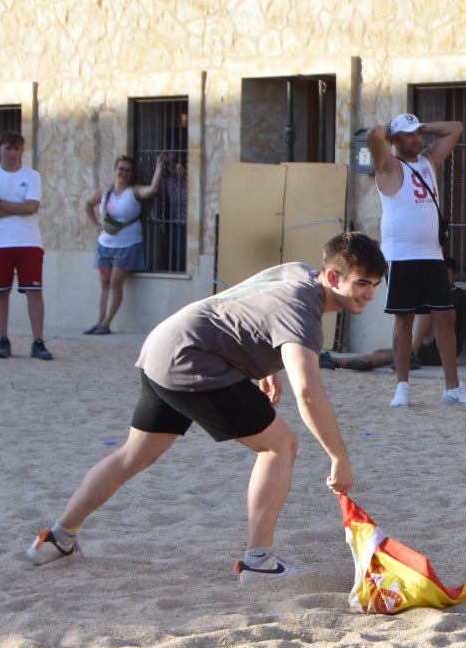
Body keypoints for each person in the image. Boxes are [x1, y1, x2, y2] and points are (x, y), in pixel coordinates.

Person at [24, 231, 387, 582]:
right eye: (362, 283)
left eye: (374, 285)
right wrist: (338, 456)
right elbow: (308, 392)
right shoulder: (301, 310)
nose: (369, 294)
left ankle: (57, 539)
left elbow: (247, 303)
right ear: (333, 276)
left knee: (135, 453)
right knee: (280, 444)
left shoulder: (297, 271)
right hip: (193, 361)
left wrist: (264, 365)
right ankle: (259, 562)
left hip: (164, 345)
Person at [365, 112, 466, 409]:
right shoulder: (387, 165)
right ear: (395, 139)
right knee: (404, 321)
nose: (417, 139)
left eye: (419, 134)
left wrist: (423, 127)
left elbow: (456, 126)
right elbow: (373, 136)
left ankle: (453, 388)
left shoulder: (428, 161)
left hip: (432, 255)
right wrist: (390, 130)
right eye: (409, 134)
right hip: (401, 256)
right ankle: (402, 386)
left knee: (446, 316)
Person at [0, 130, 52, 360]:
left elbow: (31, 207)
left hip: (28, 241)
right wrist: (15, 206)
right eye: (7, 148)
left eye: (16, 148)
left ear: (22, 150)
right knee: (0, 292)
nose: (12, 153)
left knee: (34, 291)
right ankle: (3, 339)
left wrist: (0, 201)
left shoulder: (32, 176)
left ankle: (38, 341)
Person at [82, 152, 167, 334]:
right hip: (105, 243)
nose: (123, 173)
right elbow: (88, 204)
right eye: (121, 169)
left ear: (132, 173)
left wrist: (159, 165)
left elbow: (152, 189)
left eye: (128, 170)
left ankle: (106, 323)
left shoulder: (134, 191)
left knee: (114, 284)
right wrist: (95, 224)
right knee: (104, 283)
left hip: (127, 245)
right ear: (115, 170)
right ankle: (99, 322)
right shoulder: (106, 190)